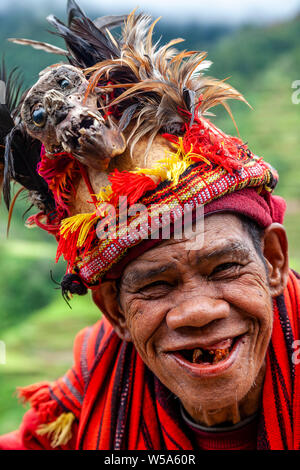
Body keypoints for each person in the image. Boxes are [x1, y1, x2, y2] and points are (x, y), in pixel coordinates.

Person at [0, 1, 299, 450]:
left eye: (224, 269)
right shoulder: (86, 397)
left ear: (274, 262)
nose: (198, 312)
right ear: (115, 311)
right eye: (156, 285)